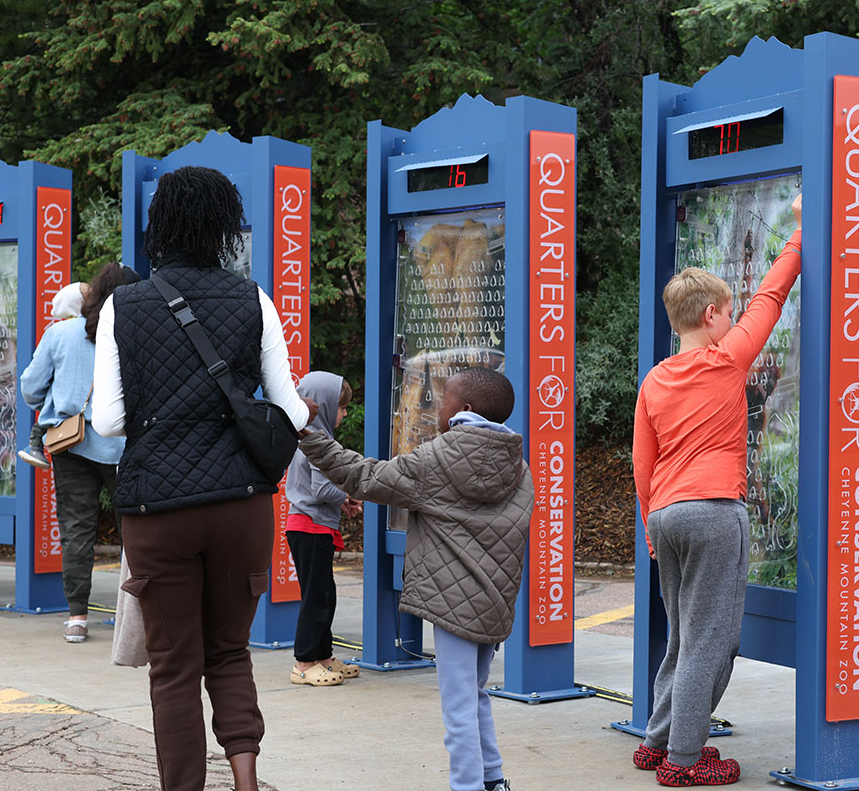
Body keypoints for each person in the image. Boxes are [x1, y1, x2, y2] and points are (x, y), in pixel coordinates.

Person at [91, 165, 309, 791]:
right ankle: (245, 780)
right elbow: (289, 408)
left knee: (175, 666)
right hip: (241, 503)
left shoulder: (122, 306)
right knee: (229, 651)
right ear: (223, 228)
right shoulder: (254, 299)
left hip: (158, 506)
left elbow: (107, 421)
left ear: (158, 226)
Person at [631, 194, 802, 787]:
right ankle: (684, 761)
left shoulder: (654, 379)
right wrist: (800, 235)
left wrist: (651, 525)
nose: (733, 322)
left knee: (682, 633)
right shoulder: (727, 359)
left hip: (667, 515)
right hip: (713, 513)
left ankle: (656, 741)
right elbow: (771, 298)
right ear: (710, 316)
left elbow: (642, 460)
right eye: (727, 314)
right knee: (713, 639)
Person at [298, 366, 530, 791]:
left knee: (458, 703)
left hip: (452, 603)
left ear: (464, 409)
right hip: (493, 602)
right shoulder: (519, 467)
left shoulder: (438, 460)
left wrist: (308, 436)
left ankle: (467, 785)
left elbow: (363, 475)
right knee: (475, 694)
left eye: (443, 400)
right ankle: (493, 778)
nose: (437, 407)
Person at [19, 266, 133, 644]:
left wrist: (54, 401)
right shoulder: (135, 334)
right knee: (134, 531)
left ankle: (77, 618)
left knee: (75, 529)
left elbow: (31, 387)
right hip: (123, 445)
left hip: (71, 442)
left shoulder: (61, 332)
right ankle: (132, 614)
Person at [284, 370, 360, 687]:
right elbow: (320, 490)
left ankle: (323, 656)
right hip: (310, 526)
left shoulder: (307, 433)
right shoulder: (318, 439)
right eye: (341, 407)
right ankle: (304, 662)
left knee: (324, 594)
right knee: (316, 597)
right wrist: (348, 494)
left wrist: (340, 501)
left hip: (310, 525)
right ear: (326, 404)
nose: (343, 414)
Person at [18, 282, 87, 469]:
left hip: (66, 432)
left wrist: (47, 406)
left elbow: (31, 384)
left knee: (75, 498)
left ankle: (35, 446)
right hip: (111, 434)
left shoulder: (57, 333)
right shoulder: (107, 328)